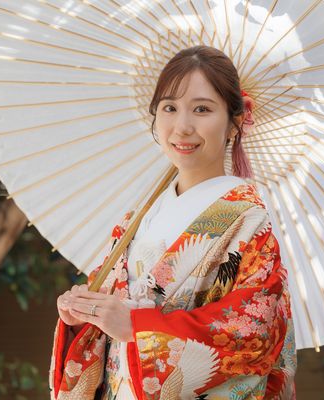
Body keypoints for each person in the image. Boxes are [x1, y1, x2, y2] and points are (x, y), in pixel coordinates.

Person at [49, 45, 296, 400]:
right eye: (169, 108)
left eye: (202, 109)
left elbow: (254, 333)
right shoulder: (137, 219)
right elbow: (109, 322)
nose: (182, 127)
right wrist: (84, 316)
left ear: (234, 123)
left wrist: (138, 327)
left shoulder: (249, 220)